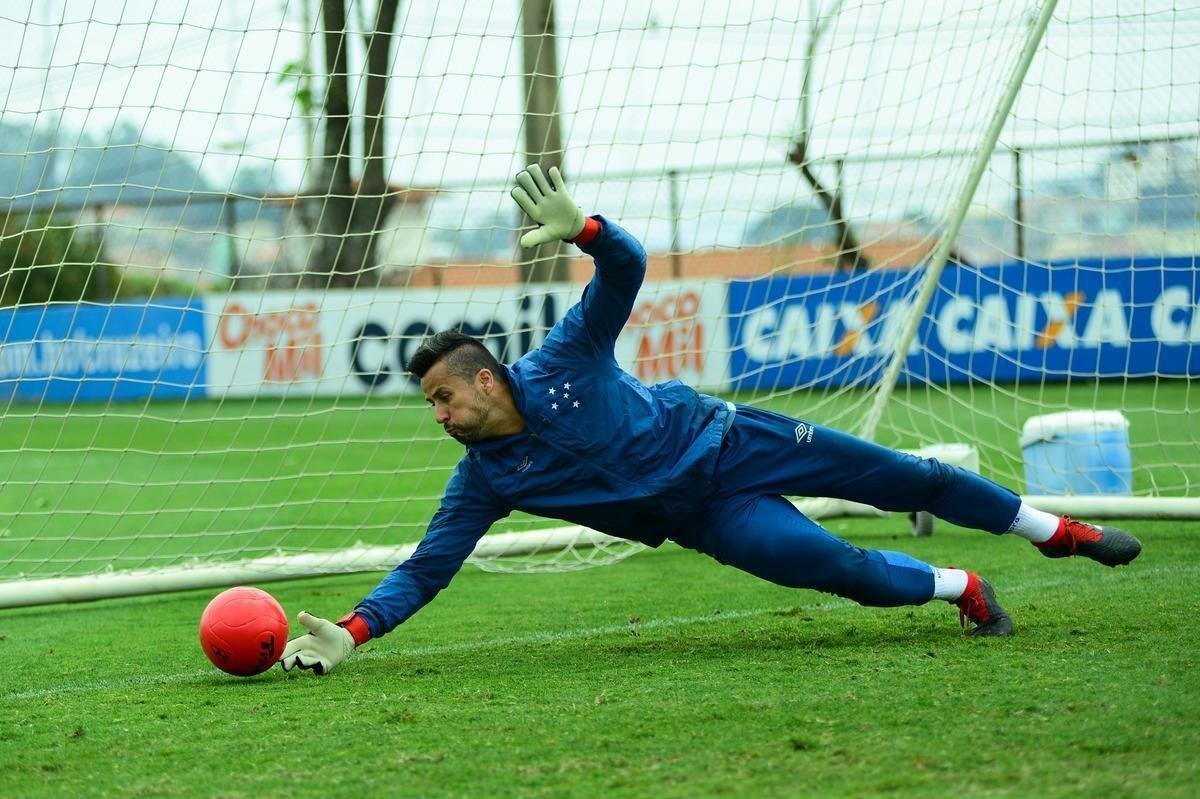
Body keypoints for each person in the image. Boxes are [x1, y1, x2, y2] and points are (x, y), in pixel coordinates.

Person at [280, 165, 1142, 675]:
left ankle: (1055, 529)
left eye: (441, 397)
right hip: (707, 516)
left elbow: (624, 270)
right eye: (431, 404)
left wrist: (585, 228)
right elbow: (429, 567)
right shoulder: (484, 479)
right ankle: (964, 587)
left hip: (735, 437)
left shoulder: (565, 357)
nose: (437, 415)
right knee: (827, 564)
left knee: (906, 477)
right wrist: (355, 631)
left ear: (486, 378)